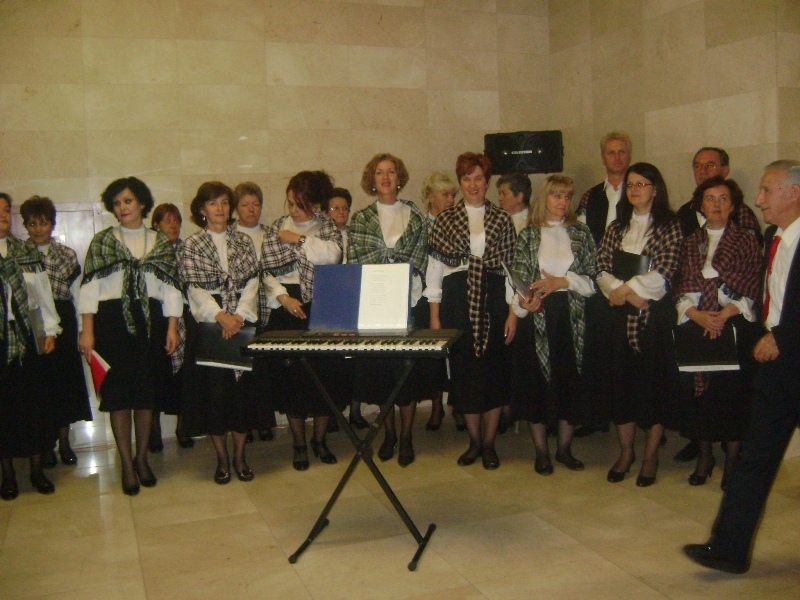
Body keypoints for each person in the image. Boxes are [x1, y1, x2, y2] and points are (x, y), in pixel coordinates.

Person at [683, 160, 800, 574]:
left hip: (789, 351)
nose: (759, 199)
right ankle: (728, 549)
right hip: (777, 368)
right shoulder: (773, 237)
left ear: (794, 193)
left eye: (767, 190)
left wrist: (783, 337)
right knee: (755, 457)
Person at [78, 178, 182, 496]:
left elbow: (171, 289)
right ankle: (126, 464)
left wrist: (173, 327)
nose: (122, 207)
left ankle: (142, 459)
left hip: (151, 323)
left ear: (142, 203)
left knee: (146, 396)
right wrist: (87, 331)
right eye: (117, 203)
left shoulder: (159, 242)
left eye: (128, 201)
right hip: (112, 325)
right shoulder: (103, 242)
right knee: (120, 398)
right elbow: (89, 289)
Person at [426, 152, 517, 470]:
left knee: (493, 373)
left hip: (494, 301)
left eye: (479, 178)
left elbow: (511, 271)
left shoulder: (502, 219)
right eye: (467, 178)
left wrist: (512, 312)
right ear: (460, 182)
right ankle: (474, 441)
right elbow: (435, 270)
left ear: (487, 182)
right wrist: (435, 314)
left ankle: (489, 444)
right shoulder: (445, 220)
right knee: (465, 374)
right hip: (457, 301)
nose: (473, 184)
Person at [674, 147, 764, 464]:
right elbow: (681, 284)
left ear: (732, 205)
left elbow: (752, 283)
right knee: (701, 396)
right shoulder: (689, 242)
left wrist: (724, 314)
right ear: (701, 205)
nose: (716, 205)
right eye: (710, 199)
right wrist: (696, 314)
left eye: (723, 199)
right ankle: (703, 459)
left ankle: (732, 461)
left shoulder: (746, 240)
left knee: (732, 395)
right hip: (698, 323)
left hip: (733, 324)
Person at [595, 163, 682, 487]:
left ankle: (650, 456)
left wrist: (625, 291)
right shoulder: (617, 227)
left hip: (653, 318)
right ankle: (626, 452)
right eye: (630, 185)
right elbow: (601, 267)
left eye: (642, 184)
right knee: (622, 387)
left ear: (655, 189)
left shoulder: (669, 225)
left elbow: (665, 271)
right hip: (619, 316)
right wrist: (622, 294)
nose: (634, 190)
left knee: (651, 388)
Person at [511, 176, 595, 474]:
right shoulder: (529, 234)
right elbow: (518, 278)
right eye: (557, 195)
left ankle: (564, 449)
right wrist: (525, 302)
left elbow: (592, 279)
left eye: (567, 196)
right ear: (544, 198)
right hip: (538, 316)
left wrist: (562, 281)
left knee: (569, 383)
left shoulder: (581, 232)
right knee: (537, 385)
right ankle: (541, 452)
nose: (563, 202)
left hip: (572, 316)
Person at [349, 153, 429, 467]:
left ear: (399, 177)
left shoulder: (415, 214)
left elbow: (420, 258)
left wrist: (403, 292)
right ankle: (390, 434)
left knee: (405, 375)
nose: (385, 178)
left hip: (407, 303)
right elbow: (356, 262)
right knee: (384, 376)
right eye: (379, 172)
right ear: (372, 180)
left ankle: (407, 436)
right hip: (376, 307)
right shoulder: (361, 219)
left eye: (391, 172)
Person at [259, 171, 343, 470]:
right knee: (292, 379)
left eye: (300, 204)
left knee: (324, 375)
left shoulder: (327, 226)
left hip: (321, 305)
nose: (293, 210)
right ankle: (298, 443)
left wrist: (299, 240)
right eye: (291, 203)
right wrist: (284, 297)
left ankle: (319, 440)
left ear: (315, 203)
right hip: (287, 306)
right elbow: (265, 270)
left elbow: (332, 256)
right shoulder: (277, 226)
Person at [181, 181, 260, 485]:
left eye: (225, 202)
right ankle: (223, 459)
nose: (220, 208)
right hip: (211, 326)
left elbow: (252, 283)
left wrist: (238, 316)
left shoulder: (244, 241)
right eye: (213, 203)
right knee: (215, 398)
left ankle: (240, 457)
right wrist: (220, 316)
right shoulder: (192, 244)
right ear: (202, 209)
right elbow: (194, 288)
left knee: (241, 398)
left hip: (241, 324)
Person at [20, 196, 92, 467]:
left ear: (52, 224)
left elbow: (77, 293)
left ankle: (64, 441)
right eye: (32, 224)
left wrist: (83, 328)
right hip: (33, 321)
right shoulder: (19, 254)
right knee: (40, 385)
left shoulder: (66, 254)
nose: (38, 229)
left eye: (43, 223)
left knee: (64, 383)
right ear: (26, 225)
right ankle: (46, 444)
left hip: (63, 320)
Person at [0, 193, 61, 500]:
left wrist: (50, 330)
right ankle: (8, 475)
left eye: (4, 210)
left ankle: (37, 471)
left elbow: (42, 293)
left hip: (27, 336)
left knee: (34, 405)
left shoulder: (25, 251)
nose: (2, 215)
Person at [574, 131, 632, 439]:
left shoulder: (638, 190)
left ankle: (638, 416)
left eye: (622, 152)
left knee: (628, 355)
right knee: (596, 352)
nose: (617, 157)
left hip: (630, 285)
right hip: (596, 284)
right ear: (603, 157)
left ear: (629, 155)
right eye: (611, 152)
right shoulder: (591, 196)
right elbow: (580, 237)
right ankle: (596, 416)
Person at [232, 181, 276, 443]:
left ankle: (264, 422)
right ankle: (244, 424)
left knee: (263, 371)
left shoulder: (271, 234)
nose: (251, 209)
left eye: (256, 204)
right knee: (242, 372)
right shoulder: (229, 235)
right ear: (236, 208)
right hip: (240, 313)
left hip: (268, 311)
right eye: (245, 204)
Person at [321, 187, 368, 431]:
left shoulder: (356, 235)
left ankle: (355, 411)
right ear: (325, 212)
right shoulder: (321, 238)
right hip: (330, 305)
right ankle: (332, 412)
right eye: (335, 208)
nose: (341, 212)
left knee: (357, 361)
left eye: (345, 208)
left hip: (356, 303)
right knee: (332, 361)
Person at [150, 203, 194, 449]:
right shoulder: (149, 249)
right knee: (156, 373)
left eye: (176, 220)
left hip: (185, 313)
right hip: (156, 316)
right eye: (167, 220)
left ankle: (183, 427)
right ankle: (153, 430)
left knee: (185, 374)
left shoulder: (188, 249)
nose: (173, 225)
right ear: (155, 225)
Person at [419, 172, 458, 432]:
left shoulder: (458, 222)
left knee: (456, 350)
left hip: (453, 293)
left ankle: (459, 404)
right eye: (445, 195)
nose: (451, 200)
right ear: (430, 197)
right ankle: (436, 406)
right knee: (433, 354)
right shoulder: (421, 225)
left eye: (453, 195)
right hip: (427, 294)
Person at [496, 172, 533, 434]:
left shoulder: (532, 222)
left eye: (504, 193)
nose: (499, 198)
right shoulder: (499, 220)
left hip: (526, 297)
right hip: (502, 295)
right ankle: (507, 406)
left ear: (520, 196)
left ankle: (526, 408)